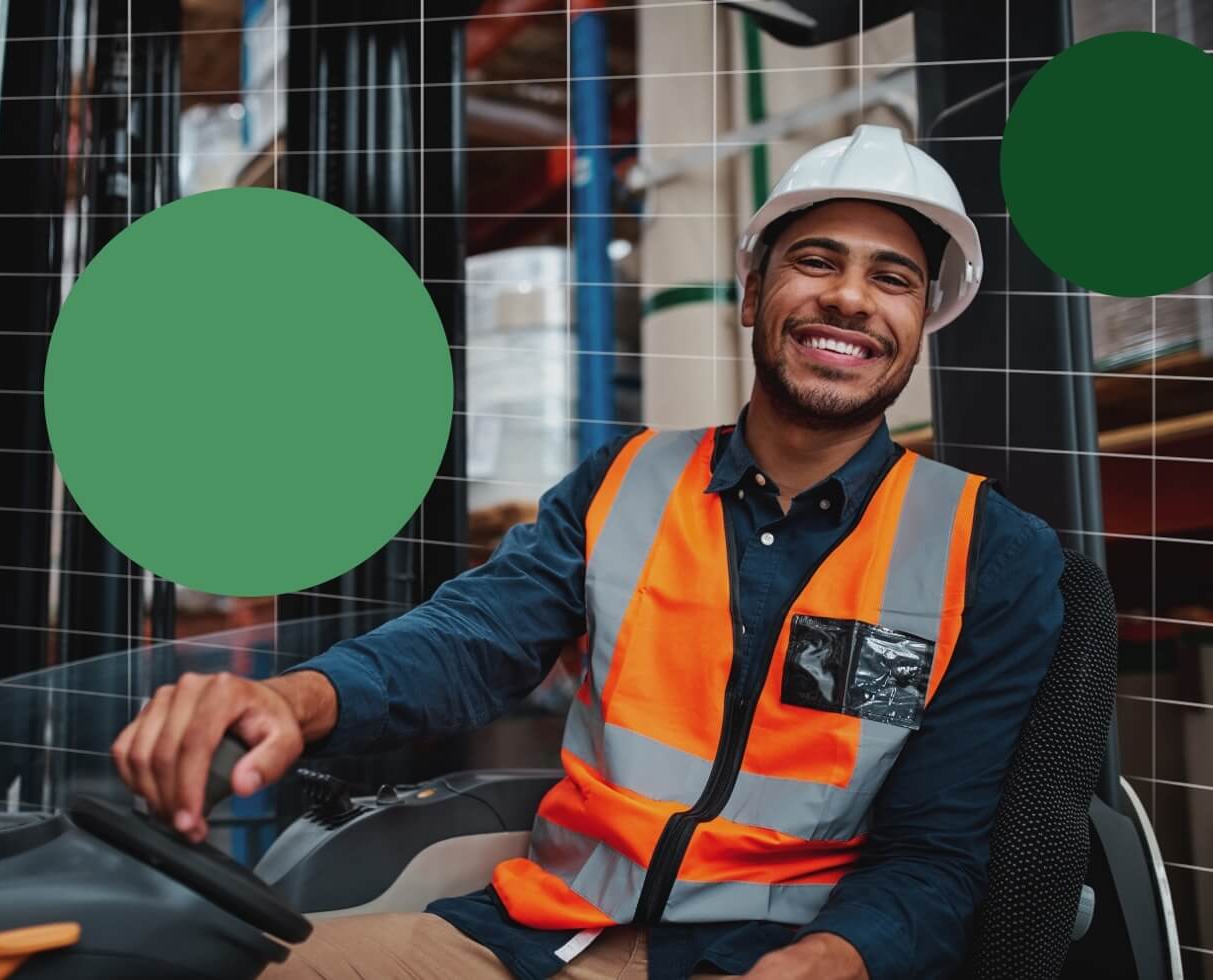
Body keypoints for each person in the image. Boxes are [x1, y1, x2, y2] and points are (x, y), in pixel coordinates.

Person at [111, 125, 1065, 980]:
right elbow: (471, 640)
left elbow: (936, 856)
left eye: (893, 279)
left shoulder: (988, 553)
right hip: (537, 938)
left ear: (920, 325)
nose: (850, 297)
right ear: (752, 293)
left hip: (770, 960)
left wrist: (831, 960)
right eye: (815, 261)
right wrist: (292, 699)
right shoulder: (627, 481)